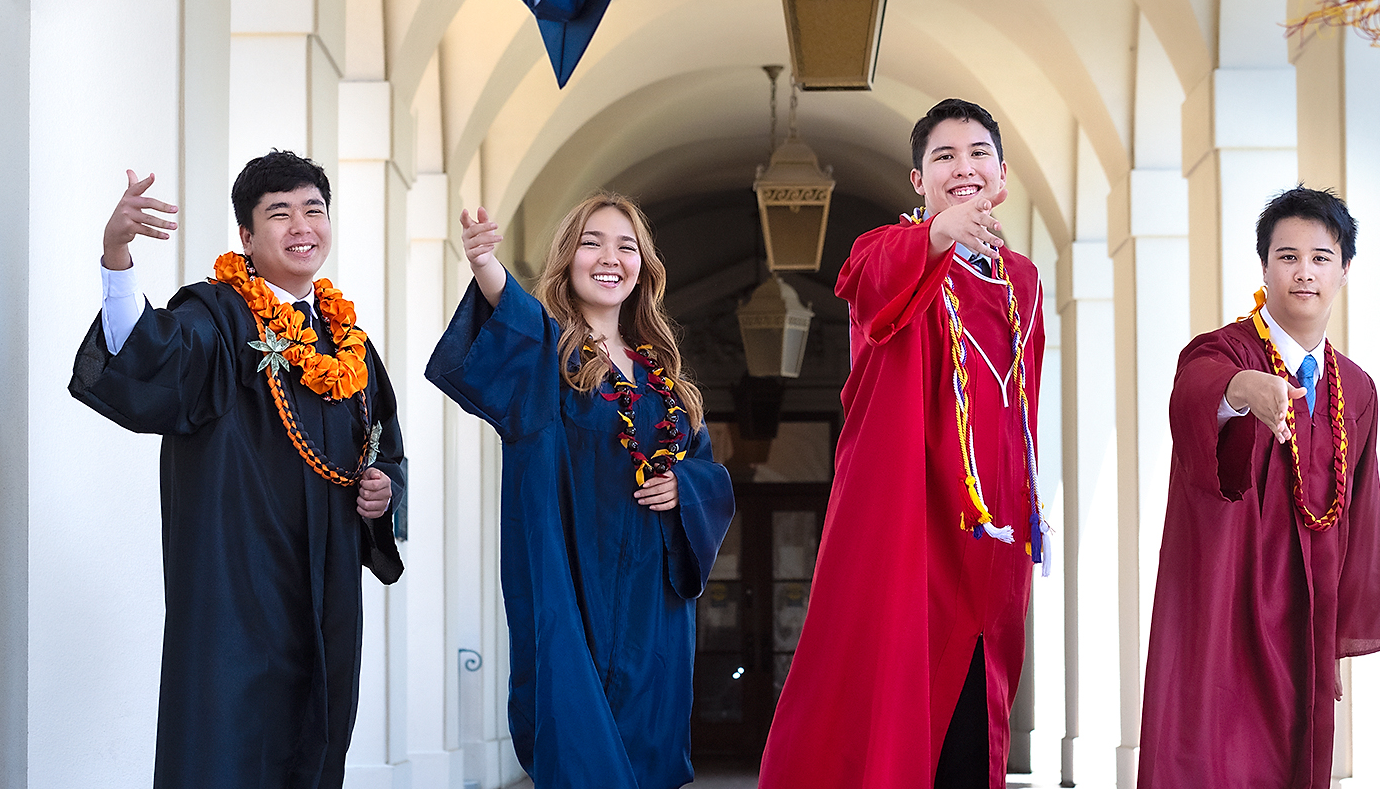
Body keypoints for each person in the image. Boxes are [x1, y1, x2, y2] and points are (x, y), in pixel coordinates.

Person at [68, 151, 406, 789]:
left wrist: (382, 490)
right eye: (279, 214)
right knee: (227, 743)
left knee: (317, 737)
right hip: (239, 578)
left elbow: (383, 445)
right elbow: (151, 356)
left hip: (327, 578)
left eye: (314, 210)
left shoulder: (349, 343)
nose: (302, 225)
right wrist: (117, 257)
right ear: (247, 237)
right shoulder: (219, 318)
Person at [759, 98, 1049, 789]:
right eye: (942, 157)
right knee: (896, 700)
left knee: (977, 711)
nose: (962, 167)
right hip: (909, 522)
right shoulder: (888, 252)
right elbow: (869, 285)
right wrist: (938, 235)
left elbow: (1020, 413)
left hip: (990, 532)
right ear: (918, 182)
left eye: (977, 153)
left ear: (1002, 174)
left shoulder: (1023, 284)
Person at [425, 193, 733, 789]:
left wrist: (683, 487)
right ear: (567, 259)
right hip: (572, 583)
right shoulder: (551, 360)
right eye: (592, 242)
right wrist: (488, 266)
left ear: (644, 265)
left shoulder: (663, 381)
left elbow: (707, 472)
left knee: (648, 750)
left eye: (627, 245)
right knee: (579, 741)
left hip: (653, 605)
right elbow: (514, 322)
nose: (610, 257)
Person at [1137, 186, 1380, 789]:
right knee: (1216, 758)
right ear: (1264, 266)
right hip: (1225, 607)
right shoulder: (1224, 350)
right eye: (1287, 256)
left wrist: (1345, 615)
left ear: (1344, 270)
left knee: (1297, 759)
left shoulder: (1354, 389)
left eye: (1320, 257)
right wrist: (1243, 391)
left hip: (1305, 618)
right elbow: (1194, 394)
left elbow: (1360, 508)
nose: (1304, 272)